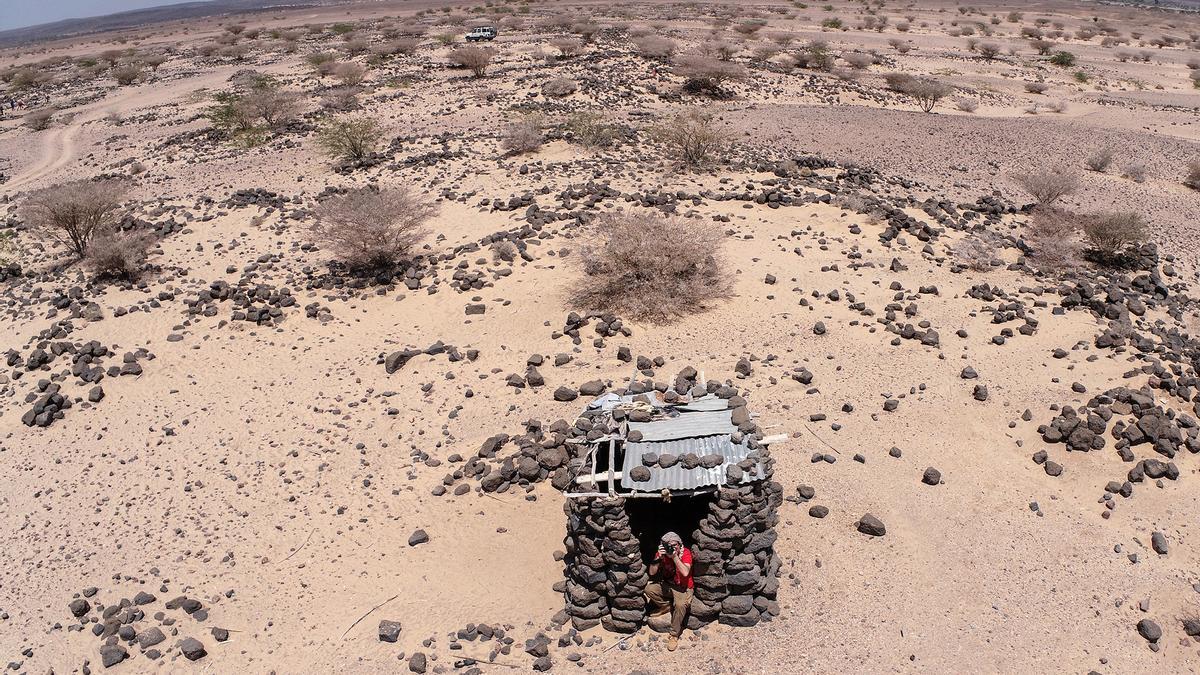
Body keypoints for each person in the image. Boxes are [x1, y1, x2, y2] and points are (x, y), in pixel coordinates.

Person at [644, 531, 693, 651]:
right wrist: (657, 558)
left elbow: (685, 572)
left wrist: (674, 557)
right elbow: (651, 573)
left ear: (679, 544)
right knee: (648, 589)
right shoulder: (662, 554)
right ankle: (665, 606)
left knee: (680, 605)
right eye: (668, 545)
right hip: (668, 585)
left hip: (683, 587)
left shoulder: (685, 553)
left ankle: (674, 634)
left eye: (674, 545)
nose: (672, 547)